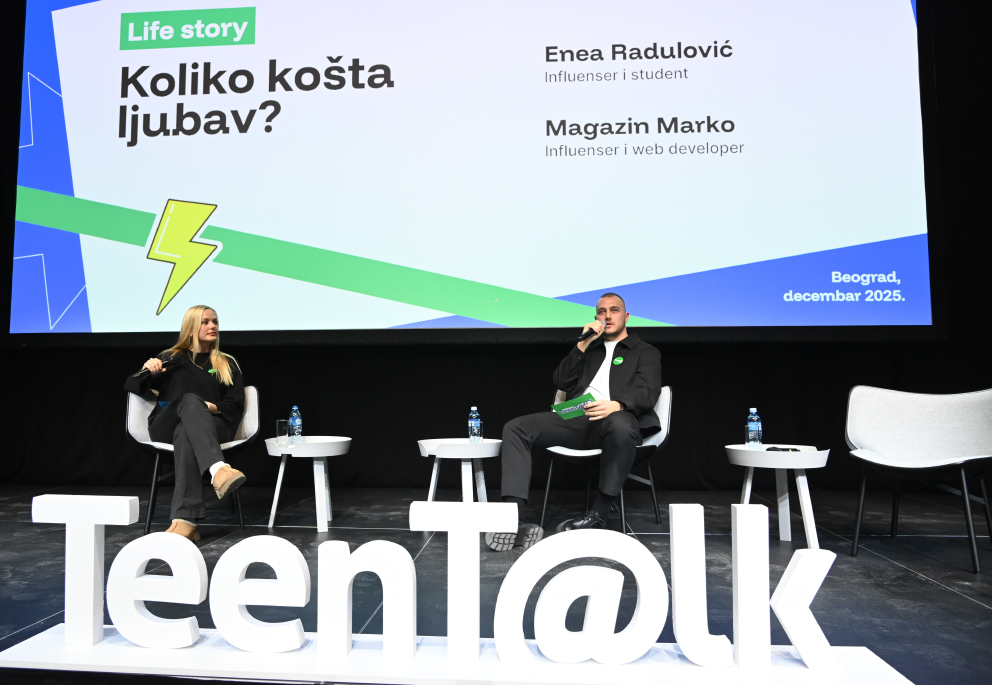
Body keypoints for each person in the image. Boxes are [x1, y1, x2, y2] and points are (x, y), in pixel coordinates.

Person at [486, 293, 662, 551]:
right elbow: (561, 382)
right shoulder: (589, 349)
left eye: (614, 310)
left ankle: (600, 513)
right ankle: (513, 520)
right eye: (601, 311)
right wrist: (581, 345)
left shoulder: (645, 351)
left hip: (617, 420)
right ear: (596, 317)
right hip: (577, 419)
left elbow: (647, 390)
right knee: (516, 428)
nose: (607, 316)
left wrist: (618, 405)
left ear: (626, 317)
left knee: (620, 423)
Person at [124, 305, 247, 542]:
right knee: (189, 401)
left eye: (215, 321)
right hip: (165, 427)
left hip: (212, 426)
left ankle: (186, 522)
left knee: (186, 432)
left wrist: (213, 408)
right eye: (205, 322)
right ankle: (218, 470)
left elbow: (236, 404)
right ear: (191, 328)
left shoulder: (226, 363)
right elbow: (131, 385)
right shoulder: (170, 358)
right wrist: (147, 370)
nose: (212, 326)